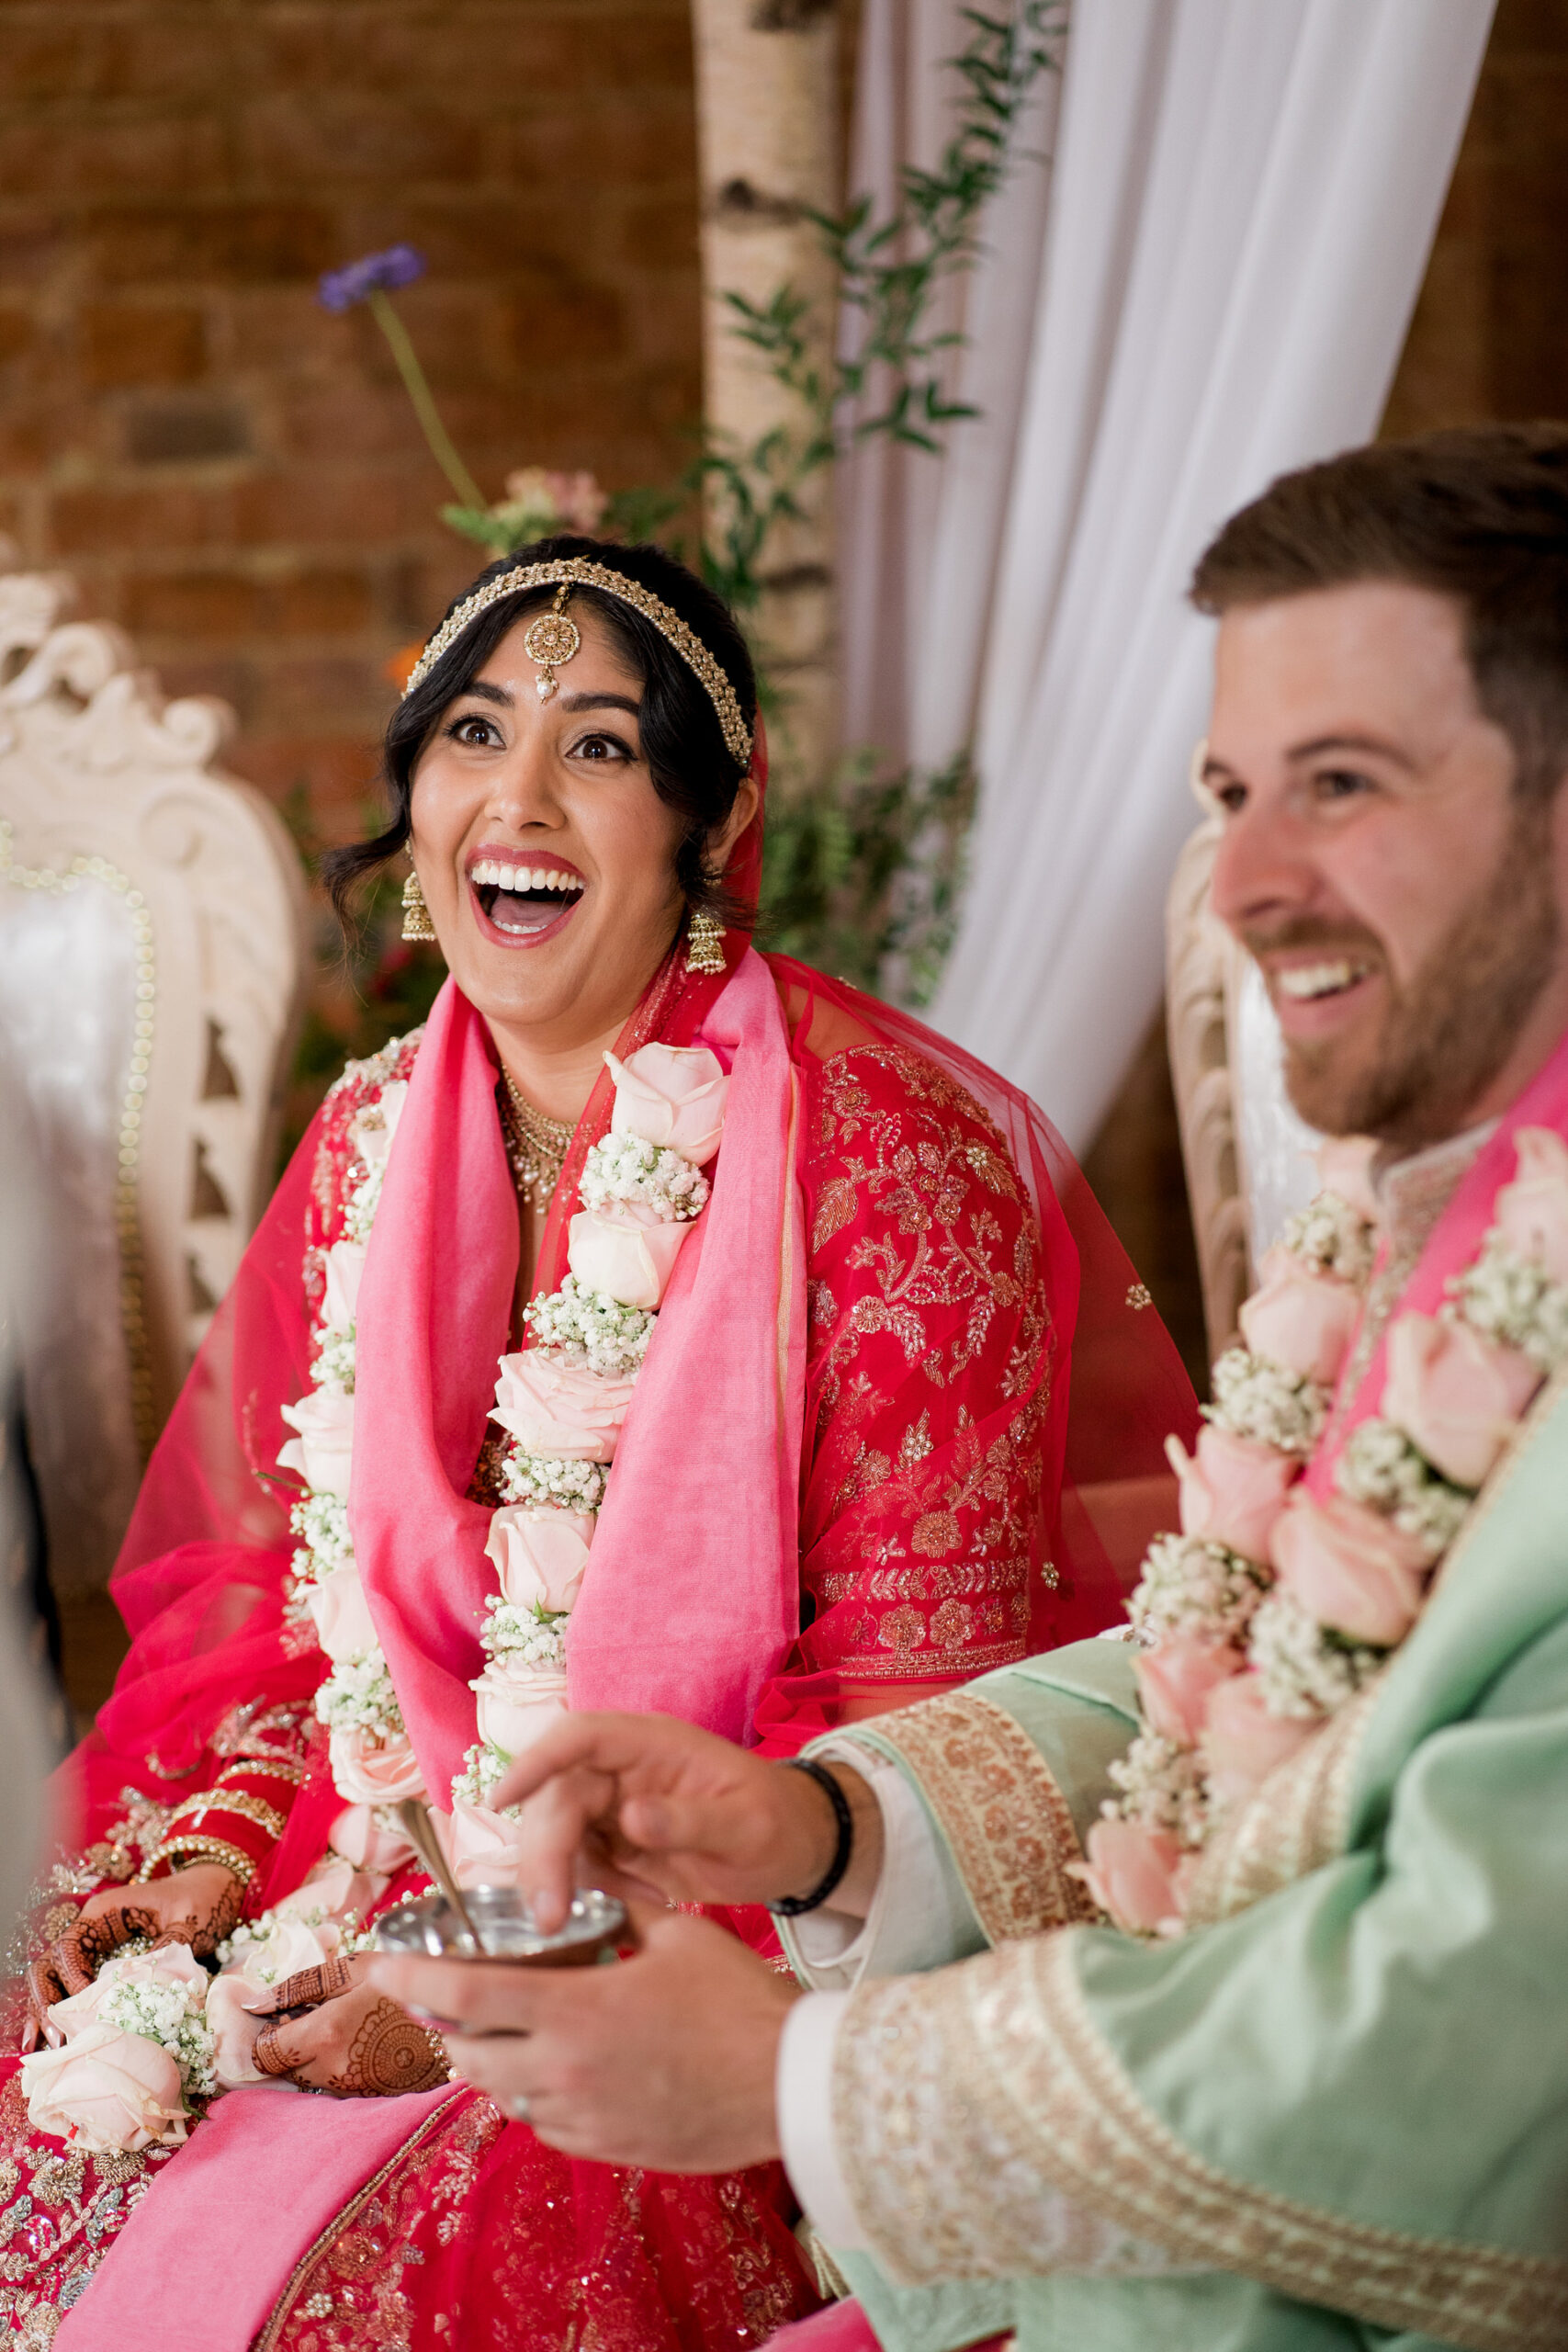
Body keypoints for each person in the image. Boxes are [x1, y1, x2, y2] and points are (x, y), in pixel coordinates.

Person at [375, 429, 1568, 2352]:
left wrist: (801, 2082)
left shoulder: (885, 1145)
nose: (1241, 882)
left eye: (1338, 786)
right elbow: (1242, 1680)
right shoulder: (1445, 1205)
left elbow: (1462, 2026)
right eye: (1227, 792)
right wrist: (828, 1825)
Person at [0, 535, 1192, 2348]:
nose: (521, 794)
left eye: (604, 747)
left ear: (707, 828)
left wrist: (500, 1971)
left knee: (370, 2297)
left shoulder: (896, 1172)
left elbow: (921, 1750)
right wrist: (222, 1855)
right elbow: (281, 1610)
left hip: (730, 1934)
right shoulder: (364, 1146)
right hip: (369, 1852)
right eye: (473, 732)